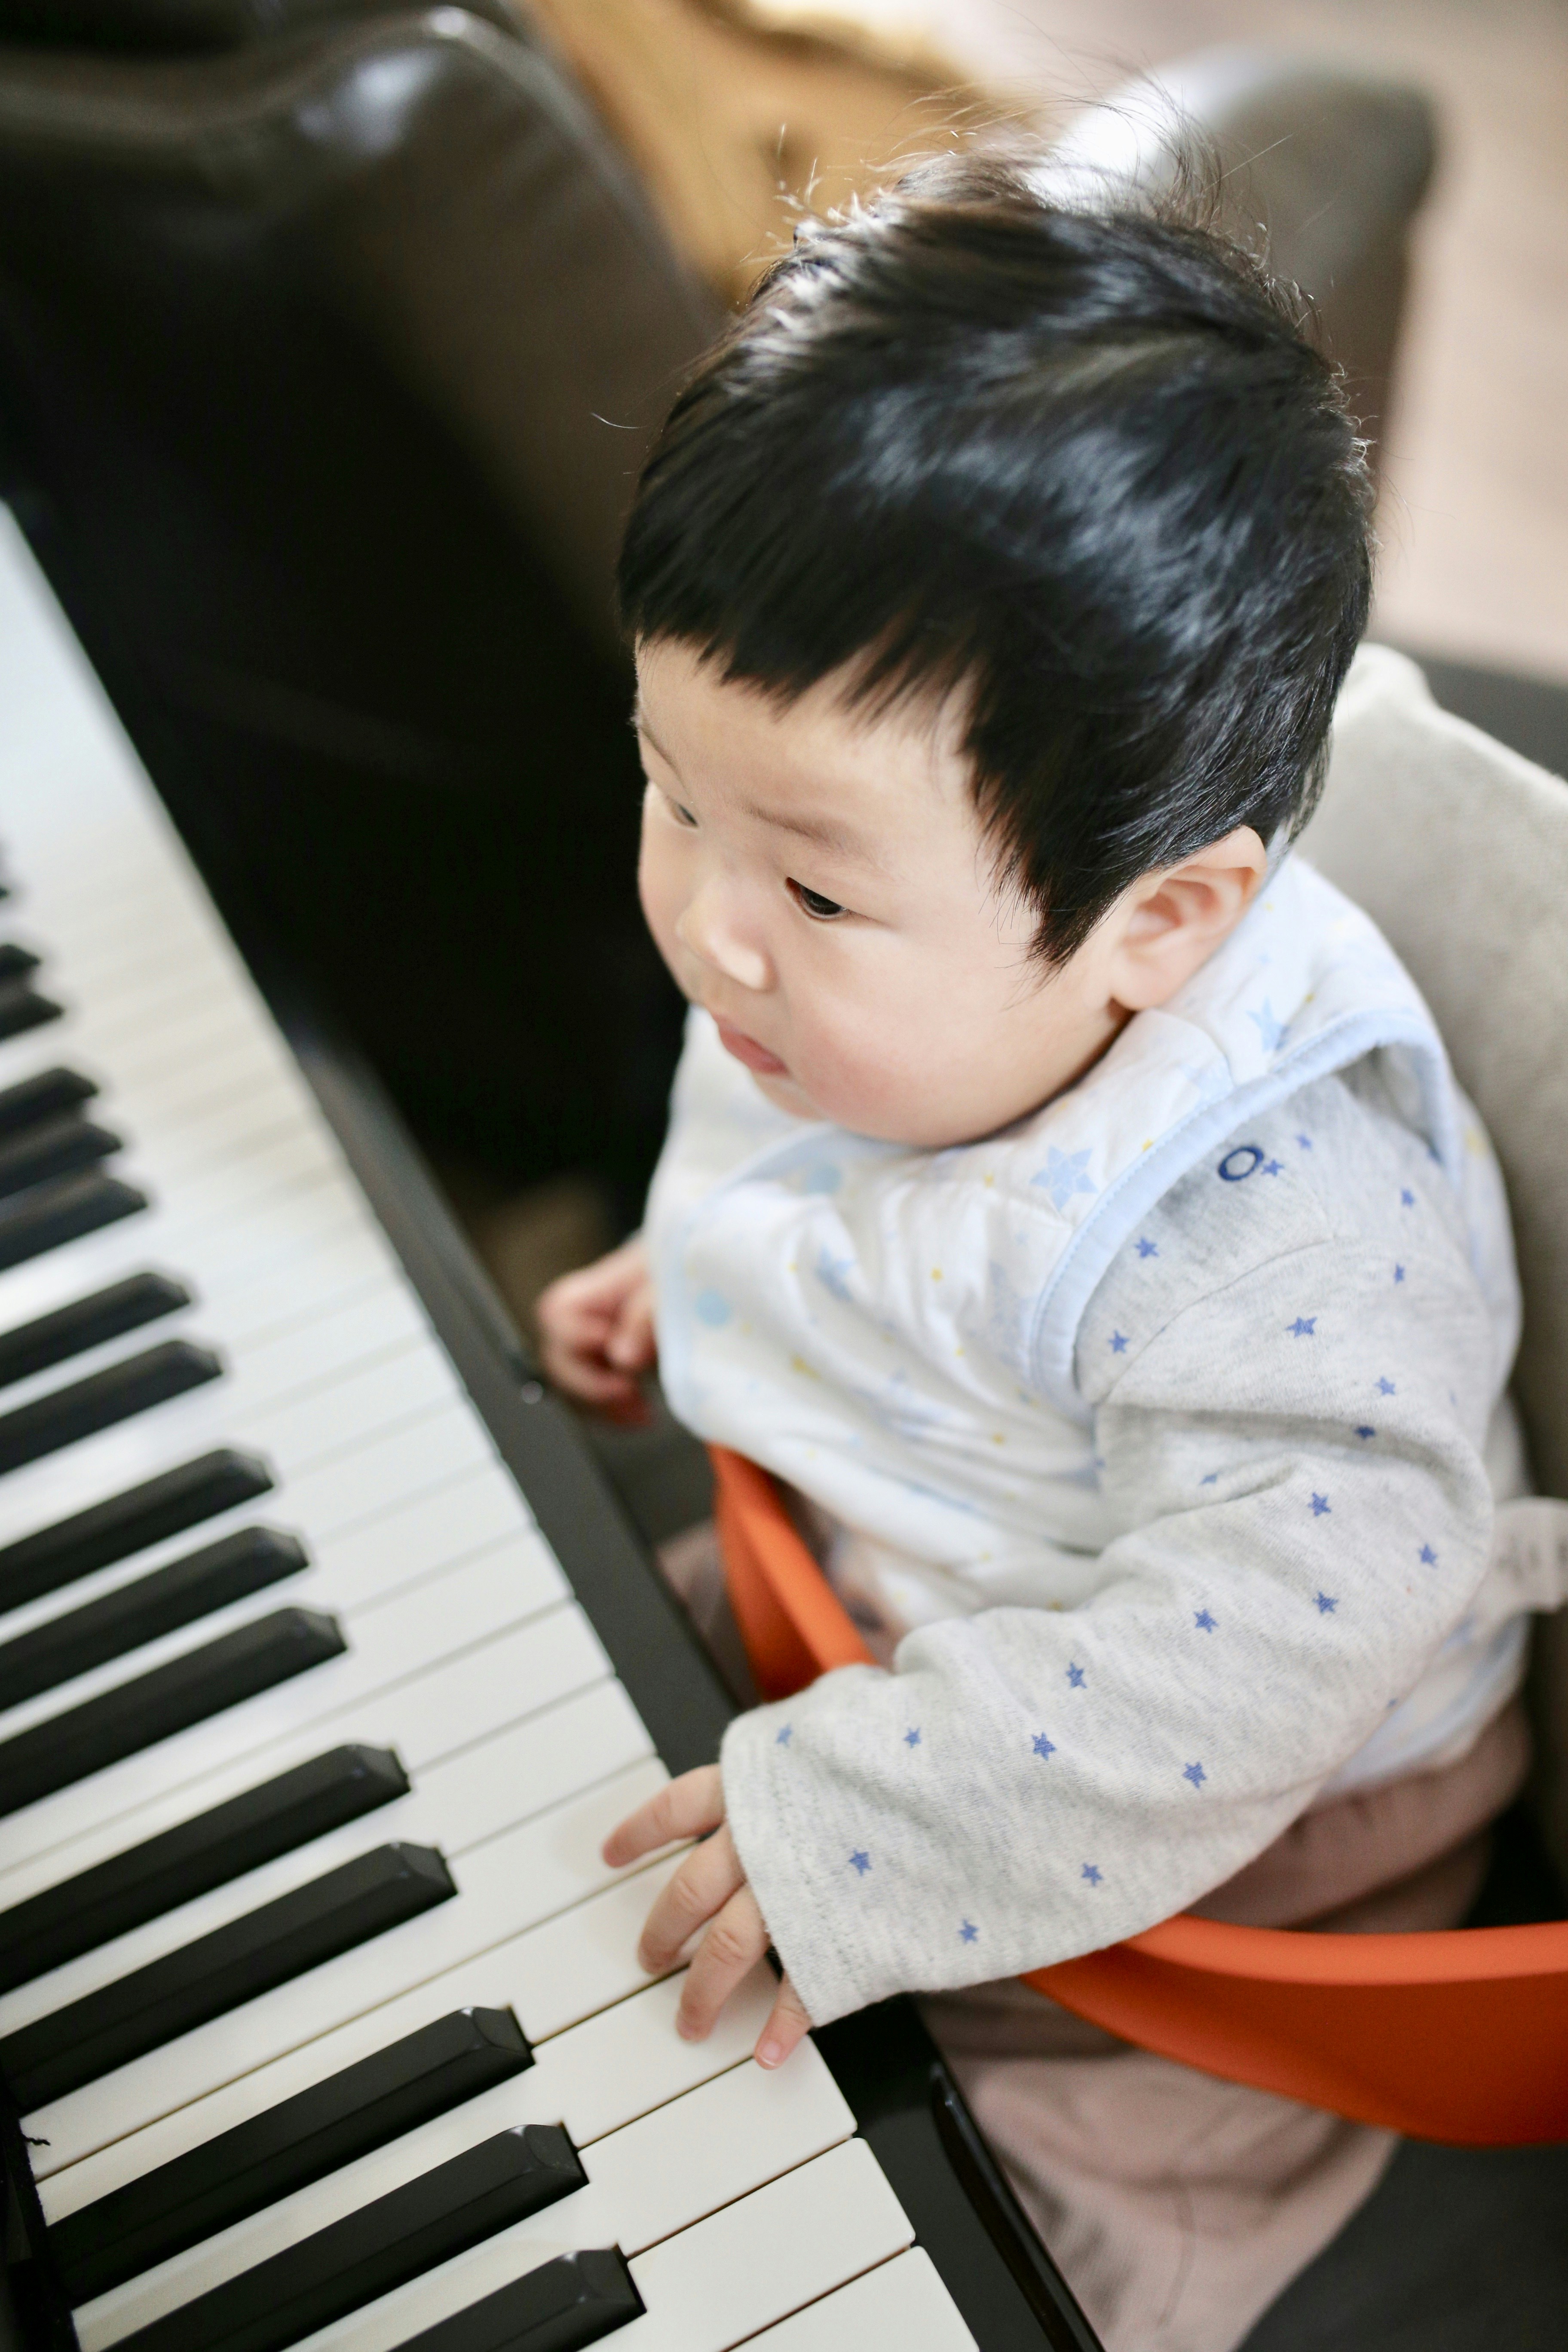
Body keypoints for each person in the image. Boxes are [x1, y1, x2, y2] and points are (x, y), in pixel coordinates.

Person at [536, 150, 1537, 2349]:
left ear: (1159, 923)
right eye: (669, 788)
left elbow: (1258, 1657)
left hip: (1223, 1824)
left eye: (807, 884)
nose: (709, 921)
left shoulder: (1279, 1243)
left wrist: (873, 1836)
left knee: (982, 2237)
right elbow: (843, 1170)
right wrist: (694, 1260)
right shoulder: (874, 996)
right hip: (915, 1572)